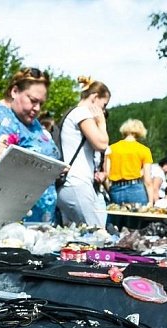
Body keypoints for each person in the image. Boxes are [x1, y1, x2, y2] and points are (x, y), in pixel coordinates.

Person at [0, 67, 60, 223]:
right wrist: (48, 169)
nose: (37, 108)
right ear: (14, 91)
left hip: (36, 221)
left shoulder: (31, 122)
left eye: (41, 103)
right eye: (32, 101)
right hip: (3, 221)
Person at [55, 77, 110, 227]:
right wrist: (101, 122)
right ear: (94, 97)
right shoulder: (81, 113)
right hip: (77, 183)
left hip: (69, 184)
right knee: (97, 234)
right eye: (104, 105)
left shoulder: (71, 113)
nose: (103, 110)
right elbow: (102, 143)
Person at [104, 119, 153, 206]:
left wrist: (110, 190)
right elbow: (148, 180)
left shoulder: (111, 148)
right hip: (136, 188)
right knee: (135, 218)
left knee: (117, 218)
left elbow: (106, 175)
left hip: (116, 189)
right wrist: (151, 201)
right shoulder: (144, 150)